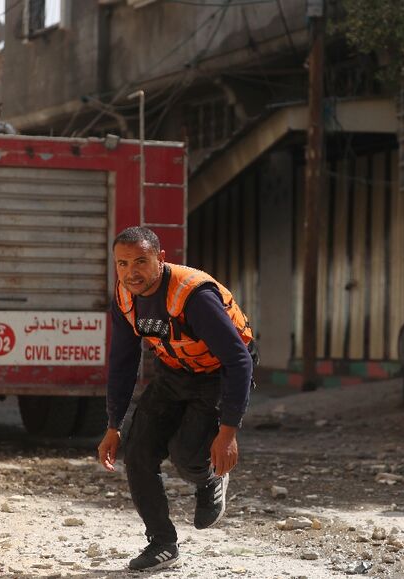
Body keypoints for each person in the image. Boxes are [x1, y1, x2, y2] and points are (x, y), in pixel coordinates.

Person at [97, 226, 256, 571]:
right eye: (122, 264)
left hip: (217, 374)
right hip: (174, 372)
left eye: (140, 261)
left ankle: (210, 478)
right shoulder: (125, 298)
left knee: (186, 456)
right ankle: (162, 545)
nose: (131, 272)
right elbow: (123, 362)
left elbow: (238, 360)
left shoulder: (192, 295)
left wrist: (228, 434)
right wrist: (114, 425)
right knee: (137, 451)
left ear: (161, 259)